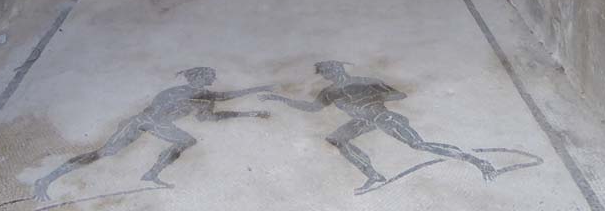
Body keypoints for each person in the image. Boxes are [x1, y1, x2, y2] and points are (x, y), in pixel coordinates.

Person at [33, 67, 270, 201]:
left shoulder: (204, 98)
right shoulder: (182, 91)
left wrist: (248, 113)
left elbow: (209, 116)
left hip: (157, 123)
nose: (212, 80)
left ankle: (151, 174)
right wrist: (257, 90)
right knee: (104, 152)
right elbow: (221, 97)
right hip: (143, 121)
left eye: (211, 78)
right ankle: (46, 179)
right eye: (209, 77)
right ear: (198, 78)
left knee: (187, 140)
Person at [262, 61, 498, 194]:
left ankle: (477, 161)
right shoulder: (330, 92)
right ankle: (373, 175)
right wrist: (281, 100)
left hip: (382, 116)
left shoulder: (366, 81)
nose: (329, 75)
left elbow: (399, 95)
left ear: (340, 69)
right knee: (337, 138)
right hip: (364, 121)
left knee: (418, 144)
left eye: (330, 70)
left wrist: (371, 97)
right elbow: (312, 108)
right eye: (325, 73)